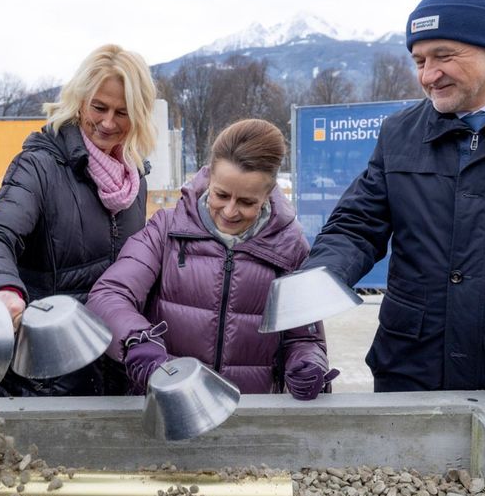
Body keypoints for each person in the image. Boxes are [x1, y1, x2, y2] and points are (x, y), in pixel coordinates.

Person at [302, 0, 485, 411]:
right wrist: (322, 274)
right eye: (419, 60)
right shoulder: (399, 134)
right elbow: (356, 224)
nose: (428, 75)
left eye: (444, 55)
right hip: (413, 376)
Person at [0, 44, 156, 396]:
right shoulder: (39, 167)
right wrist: (2, 289)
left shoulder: (134, 181)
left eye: (122, 112)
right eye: (99, 107)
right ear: (79, 101)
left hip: (113, 378)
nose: (108, 123)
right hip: (47, 380)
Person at [88, 119, 334, 398]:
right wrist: (137, 341)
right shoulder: (167, 229)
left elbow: (305, 337)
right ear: (208, 179)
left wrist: (307, 365)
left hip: (251, 411)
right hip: (170, 404)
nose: (229, 211)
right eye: (221, 195)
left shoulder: (290, 247)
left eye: (246, 202)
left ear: (267, 195)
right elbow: (109, 294)